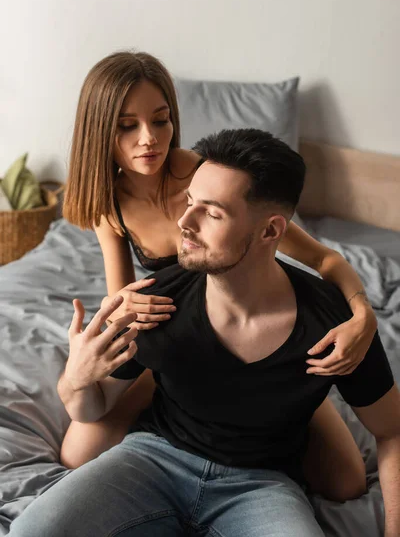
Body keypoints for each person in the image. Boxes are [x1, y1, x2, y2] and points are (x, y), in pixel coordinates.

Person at [10, 129, 400, 537]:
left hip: (262, 484)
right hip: (152, 460)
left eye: (211, 214)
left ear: (271, 232)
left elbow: (390, 430)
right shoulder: (157, 302)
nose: (184, 223)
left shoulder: (334, 322)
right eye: (190, 202)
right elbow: (91, 410)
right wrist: (77, 376)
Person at [61, 51, 376, 498]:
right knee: (77, 453)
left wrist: (362, 312)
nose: (149, 139)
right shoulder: (109, 204)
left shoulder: (208, 176)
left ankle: (293, 401)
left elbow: (324, 260)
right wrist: (103, 339)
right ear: (99, 130)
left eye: (161, 120)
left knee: (347, 484)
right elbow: (125, 302)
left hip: (252, 328)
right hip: (177, 336)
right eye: (127, 125)